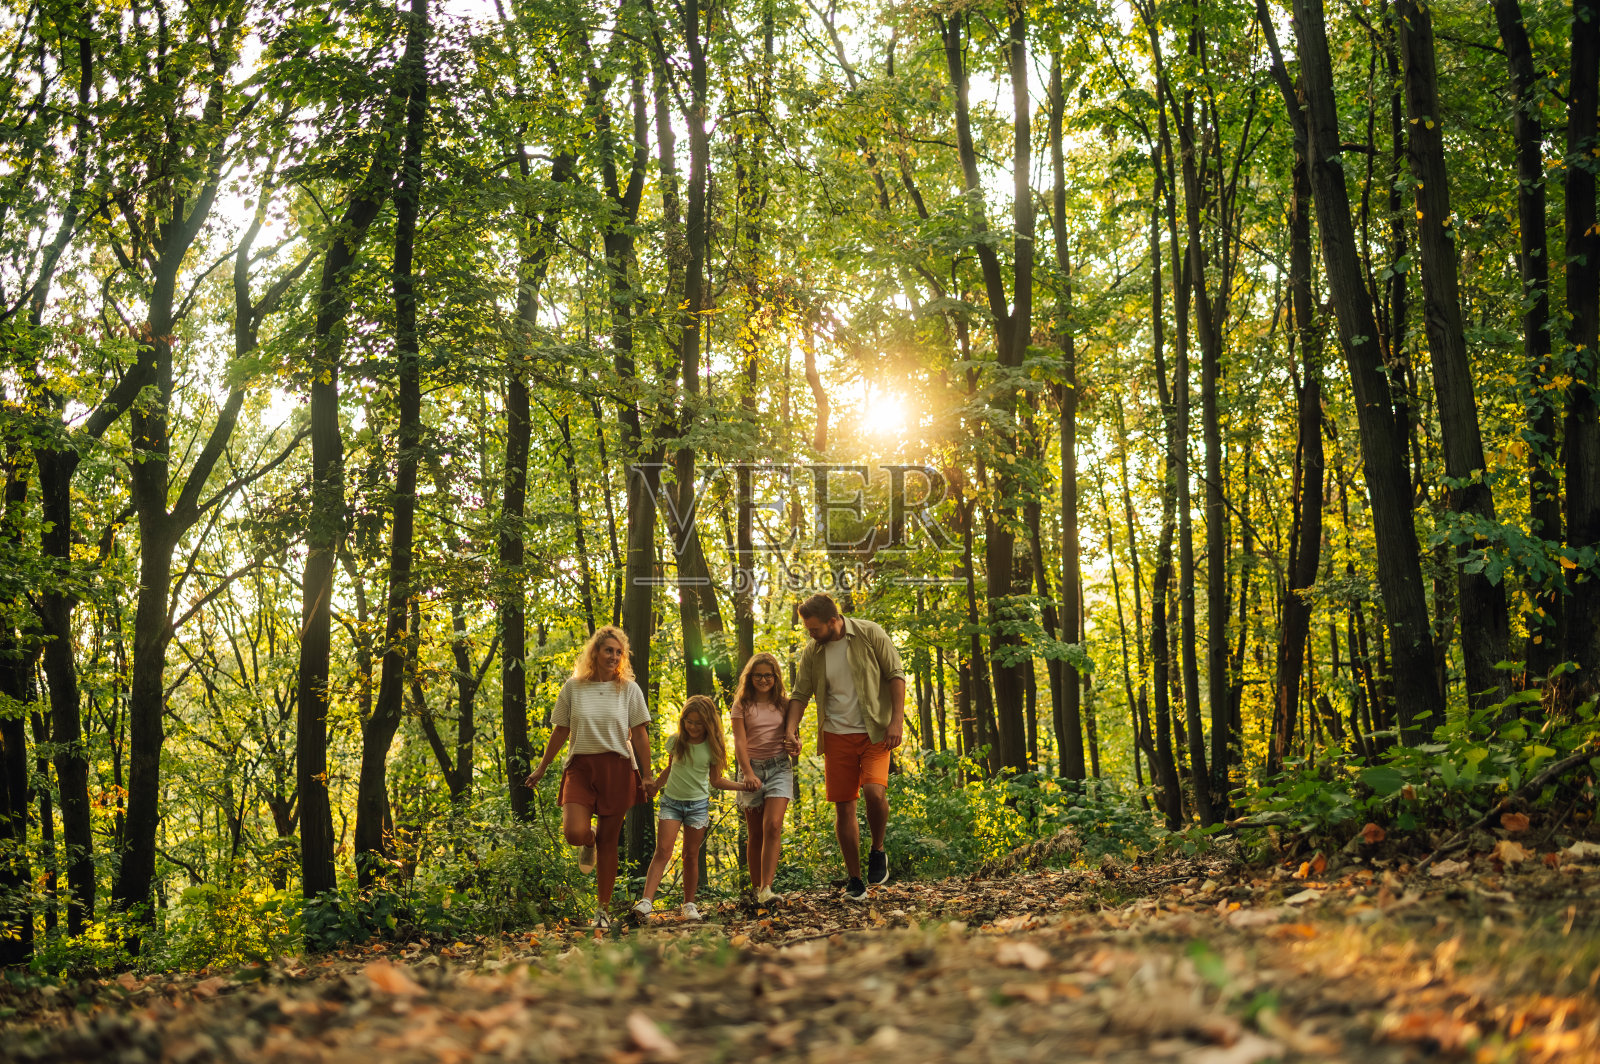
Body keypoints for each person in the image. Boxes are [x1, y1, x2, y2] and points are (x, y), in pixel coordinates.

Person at [525, 626, 654, 929]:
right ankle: (588, 839)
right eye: (608, 650)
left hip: (618, 768)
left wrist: (647, 775)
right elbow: (560, 730)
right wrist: (542, 767)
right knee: (573, 832)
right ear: (595, 653)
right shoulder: (573, 687)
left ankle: (602, 910)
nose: (614, 656)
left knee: (610, 843)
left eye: (619, 652)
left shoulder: (629, 690)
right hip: (580, 767)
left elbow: (639, 733)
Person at [785, 592, 905, 902]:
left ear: (834, 621)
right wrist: (791, 730)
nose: (811, 635)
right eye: (808, 630)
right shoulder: (813, 652)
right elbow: (800, 694)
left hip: (874, 730)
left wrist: (896, 722)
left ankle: (877, 850)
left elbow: (896, 675)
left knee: (874, 794)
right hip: (836, 735)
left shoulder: (869, 633)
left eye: (814, 629)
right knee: (844, 807)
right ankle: (855, 879)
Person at [634, 695, 754, 922]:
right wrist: (656, 786)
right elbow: (671, 768)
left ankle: (689, 904)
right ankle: (646, 902)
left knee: (690, 855)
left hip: (698, 807)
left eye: (699, 723)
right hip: (671, 802)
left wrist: (743, 787)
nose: (693, 727)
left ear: (708, 724)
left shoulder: (713, 748)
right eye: (689, 721)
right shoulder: (676, 741)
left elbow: (717, 780)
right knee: (663, 851)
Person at [730, 652, 799, 904]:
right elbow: (739, 741)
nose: (763, 679)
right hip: (751, 769)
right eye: (758, 675)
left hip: (779, 767)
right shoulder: (741, 705)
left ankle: (767, 888)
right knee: (755, 832)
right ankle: (758, 890)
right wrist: (747, 772)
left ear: (775, 677)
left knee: (772, 825)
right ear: (750, 677)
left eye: (768, 675)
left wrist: (796, 745)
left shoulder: (784, 703)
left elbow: (792, 736)